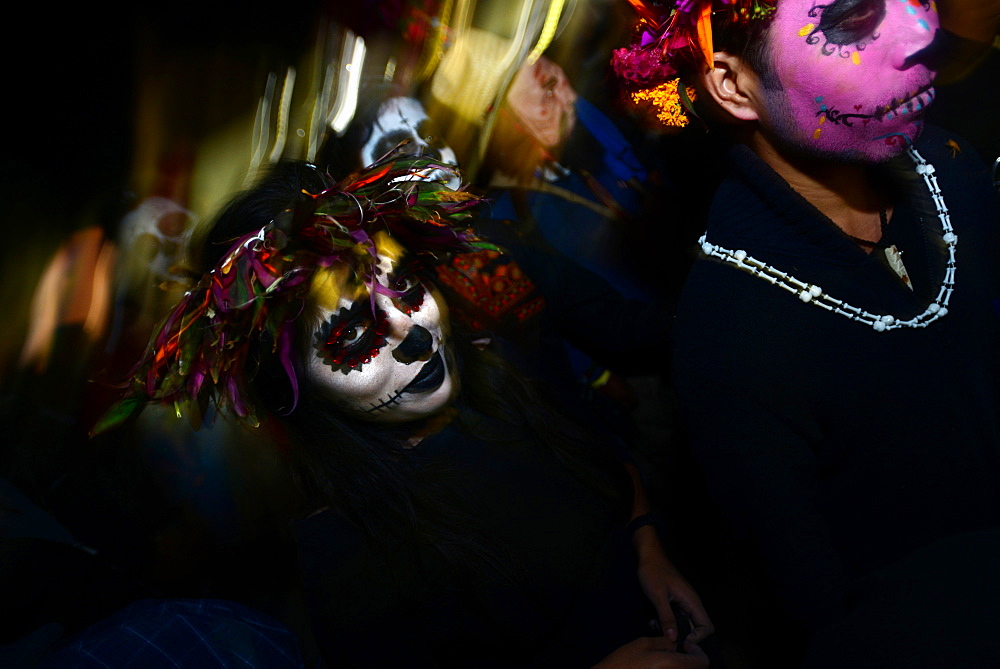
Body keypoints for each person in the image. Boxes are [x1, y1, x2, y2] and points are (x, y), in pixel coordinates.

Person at [94, 153, 713, 667]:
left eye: (408, 290)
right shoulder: (349, 566)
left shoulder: (498, 376)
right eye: (353, 337)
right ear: (293, 390)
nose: (413, 329)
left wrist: (647, 546)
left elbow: (601, 463)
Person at [612, 0, 1000, 666]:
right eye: (852, 18)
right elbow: (817, 610)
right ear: (734, 87)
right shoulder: (731, 335)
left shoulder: (955, 169)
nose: (923, 29)